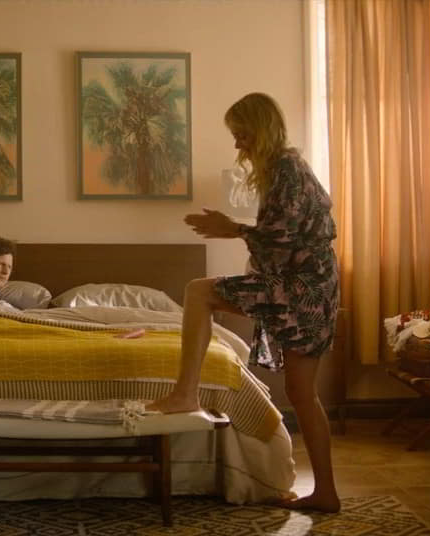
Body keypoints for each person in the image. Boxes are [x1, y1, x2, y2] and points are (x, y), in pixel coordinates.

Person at [146, 93, 341, 512]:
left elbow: (282, 237)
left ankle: (185, 393)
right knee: (302, 393)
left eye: (242, 134)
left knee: (199, 292)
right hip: (310, 289)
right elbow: (284, 235)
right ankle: (326, 493)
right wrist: (237, 231)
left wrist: (233, 228)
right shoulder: (285, 168)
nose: (238, 144)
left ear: (261, 129)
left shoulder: (287, 169)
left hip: (302, 290)